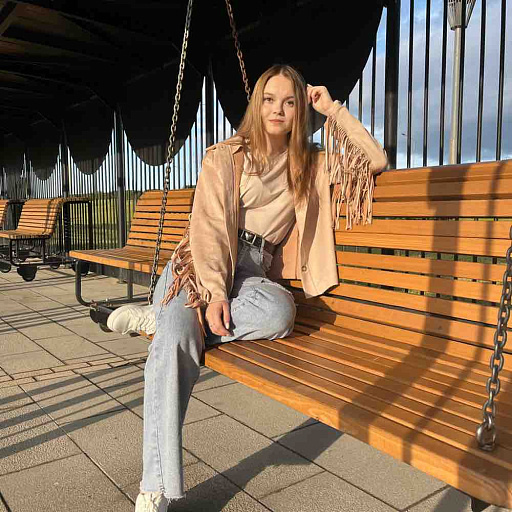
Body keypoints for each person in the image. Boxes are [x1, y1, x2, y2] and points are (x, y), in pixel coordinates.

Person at [107, 64, 387, 512]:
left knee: (280, 313)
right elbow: (209, 229)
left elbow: (374, 160)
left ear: (300, 111)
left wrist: (332, 109)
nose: (278, 109)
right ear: (257, 104)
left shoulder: (311, 163)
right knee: (174, 342)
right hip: (200, 262)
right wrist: (215, 293)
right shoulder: (226, 155)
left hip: (255, 269)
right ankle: (155, 486)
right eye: (269, 99)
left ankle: (164, 317)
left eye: (289, 102)